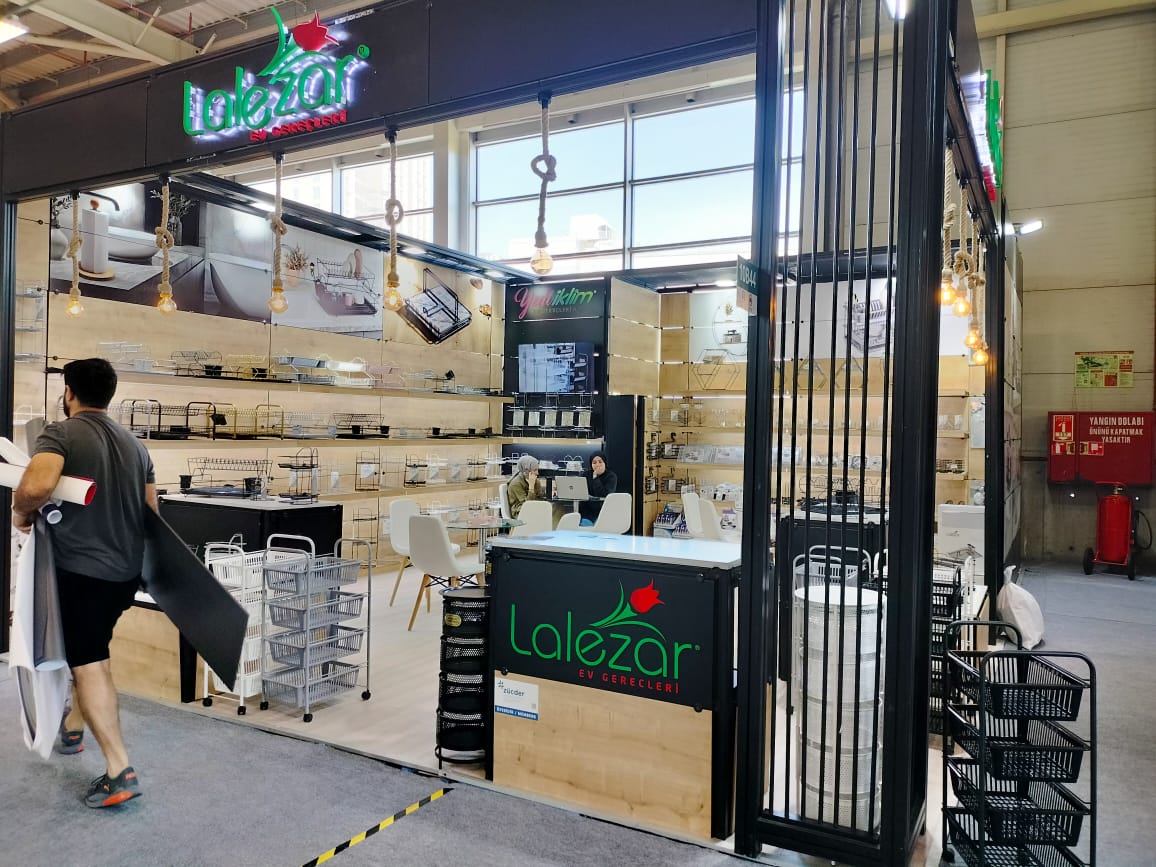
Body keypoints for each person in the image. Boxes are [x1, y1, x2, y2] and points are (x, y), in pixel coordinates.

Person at [12, 358, 157, 809]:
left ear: (69, 393)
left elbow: (36, 486)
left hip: (81, 573)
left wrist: (20, 513)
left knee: (90, 663)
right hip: (123, 576)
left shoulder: (61, 433)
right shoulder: (135, 446)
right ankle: (73, 728)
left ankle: (119, 769)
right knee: (88, 649)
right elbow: (152, 513)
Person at [580, 452, 618, 524]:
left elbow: (604, 494)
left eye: (600, 462)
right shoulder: (586, 475)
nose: (597, 465)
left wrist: (595, 477)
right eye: (594, 463)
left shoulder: (611, 476)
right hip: (587, 511)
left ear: (605, 463)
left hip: (603, 511)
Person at [506, 455, 540, 519]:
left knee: (556, 509)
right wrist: (531, 487)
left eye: (537, 469)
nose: (537, 473)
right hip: (520, 512)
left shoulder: (536, 481)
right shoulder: (516, 484)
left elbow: (540, 498)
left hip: (534, 509)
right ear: (527, 470)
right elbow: (527, 505)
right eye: (535, 470)